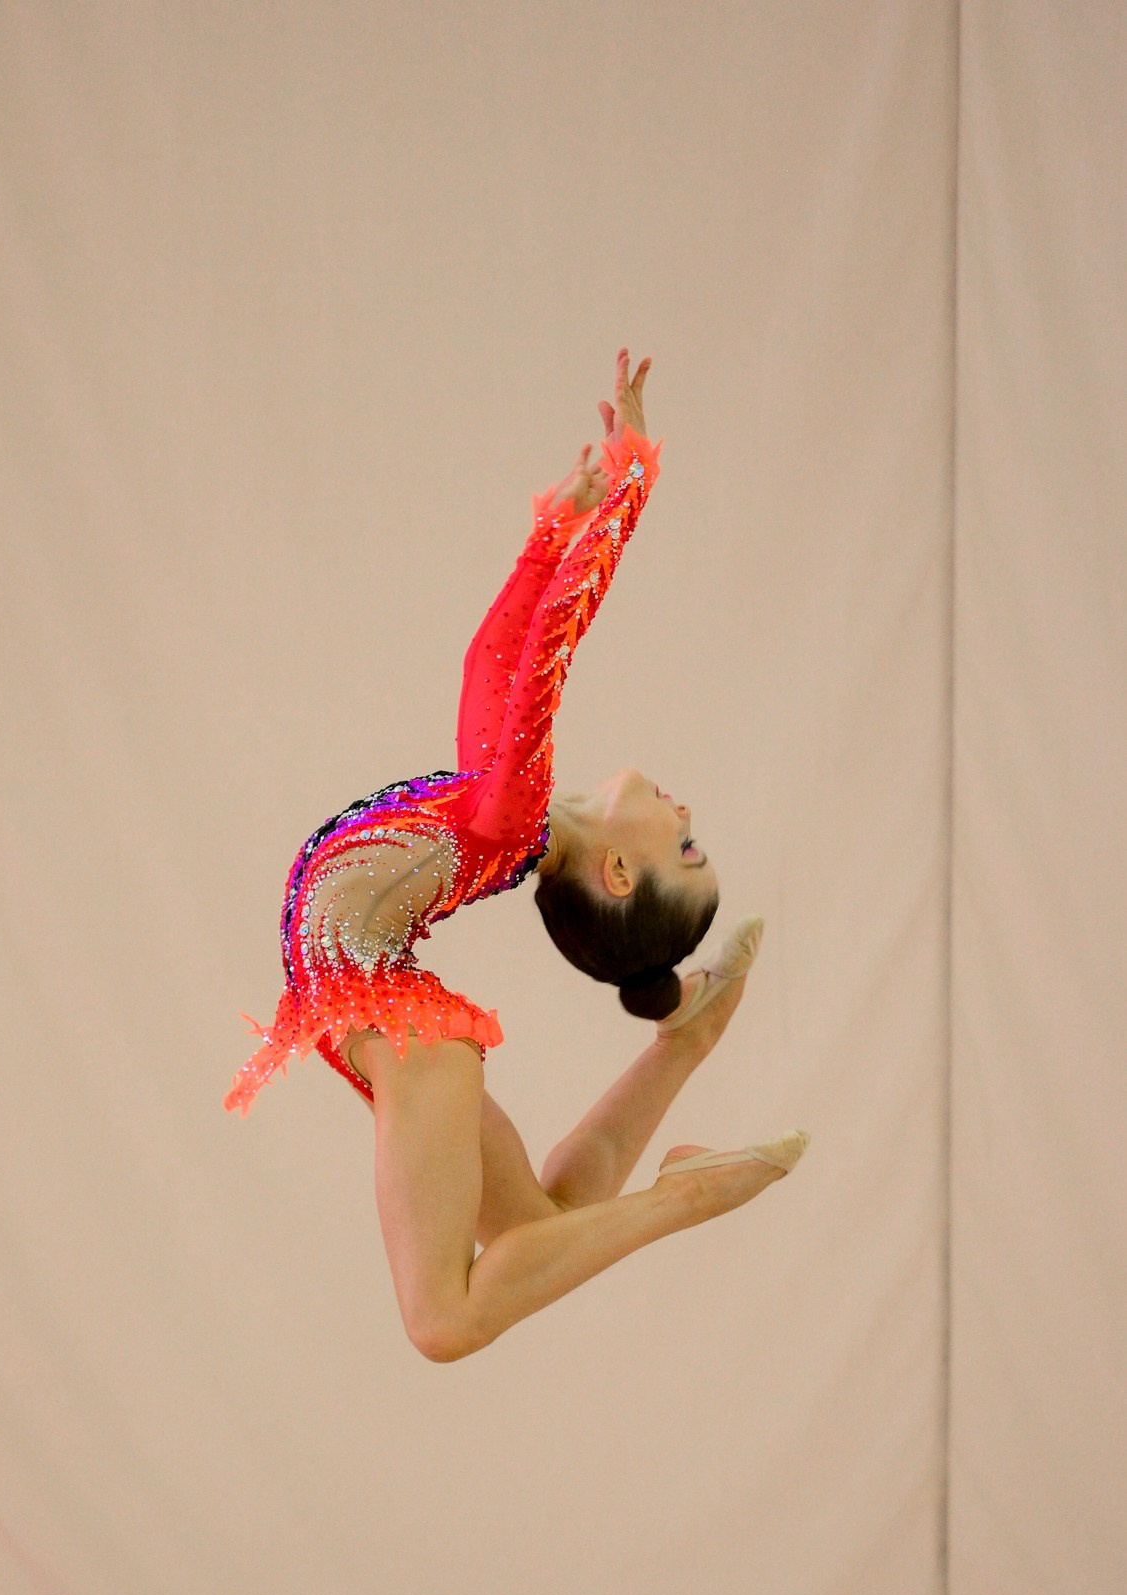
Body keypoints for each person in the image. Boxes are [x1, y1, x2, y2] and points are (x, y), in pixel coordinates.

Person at [226, 349, 807, 1362]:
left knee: (443, 1321)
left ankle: (689, 1196)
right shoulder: (506, 813)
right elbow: (491, 661)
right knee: (543, 1228)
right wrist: (550, 531)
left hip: (399, 1028)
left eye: (684, 844)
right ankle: (685, 1042)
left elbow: (544, 653)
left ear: (617, 875)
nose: (683, 809)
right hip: (385, 1017)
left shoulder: (508, 818)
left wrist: (628, 488)